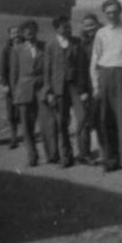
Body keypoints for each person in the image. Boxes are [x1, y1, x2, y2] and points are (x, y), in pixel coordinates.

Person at [90, 0, 122, 176]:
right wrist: (96, 86)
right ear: (104, 14)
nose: (111, 15)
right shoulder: (101, 33)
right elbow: (95, 60)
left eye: (114, 11)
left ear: (120, 11)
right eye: (108, 13)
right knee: (106, 121)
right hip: (105, 76)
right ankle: (111, 159)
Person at [43, 15, 89, 168]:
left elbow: (83, 67)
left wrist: (84, 89)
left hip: (75, 87)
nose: (68, 29)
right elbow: (47, 70)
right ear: (57, 29)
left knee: (82, 118)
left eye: (68, 26)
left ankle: (84, 154)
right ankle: (66, 157)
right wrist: (49, 91)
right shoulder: (50, 45)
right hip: (58, 89)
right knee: (62, 123)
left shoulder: (77, 42)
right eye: (64, 27)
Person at [11, 20, 46, 167]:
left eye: (32, 30)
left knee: (45, 123)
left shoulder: (44, 47)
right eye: (26, 31)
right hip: (24, 90)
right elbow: (14, 74)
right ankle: (32, 155)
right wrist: (15, 93)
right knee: (27, 126)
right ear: (23, 34)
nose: (29, 33)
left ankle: (52, 154)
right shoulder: (17, 49)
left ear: (36, 31)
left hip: (41, 88)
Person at [77, 13, 102, 163]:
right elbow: (81, 69)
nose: (90, 29)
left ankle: (106, 152)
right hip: (88, 87)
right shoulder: (82, 45)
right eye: (87, 26)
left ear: (98, 24)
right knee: (85, 122)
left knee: (103, 120)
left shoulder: (104, 39)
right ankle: (84, 153)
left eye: (92, 25)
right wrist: (83, 91)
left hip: (103, 85)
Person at [0, 25, 22, 149]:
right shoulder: (6, 50)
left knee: (24, 112)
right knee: (11, 113)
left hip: (23, 85)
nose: (16, 35)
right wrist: (5, 84)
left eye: (18, 32)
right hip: (11, 87)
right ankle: (13, 137)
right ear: (9, 35)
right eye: (13, 33)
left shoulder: (25, 46)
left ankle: (28, 136)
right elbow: (3, 69)